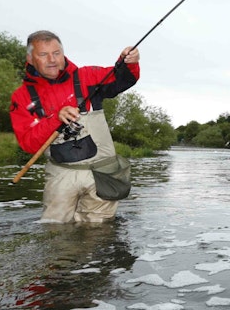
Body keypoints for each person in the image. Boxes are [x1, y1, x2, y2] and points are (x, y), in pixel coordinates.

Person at [10, 30, 140, 223]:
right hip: (61, 174)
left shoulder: (87, 76)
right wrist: (55, 118)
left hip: (103, 173)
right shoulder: (22, 97)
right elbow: (29, 144)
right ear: (30, 58)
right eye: (43, 54)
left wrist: (128, 63)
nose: (52, 60)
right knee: (56, 232)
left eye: (56, 53)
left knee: (99, 233)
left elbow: (121, 79)